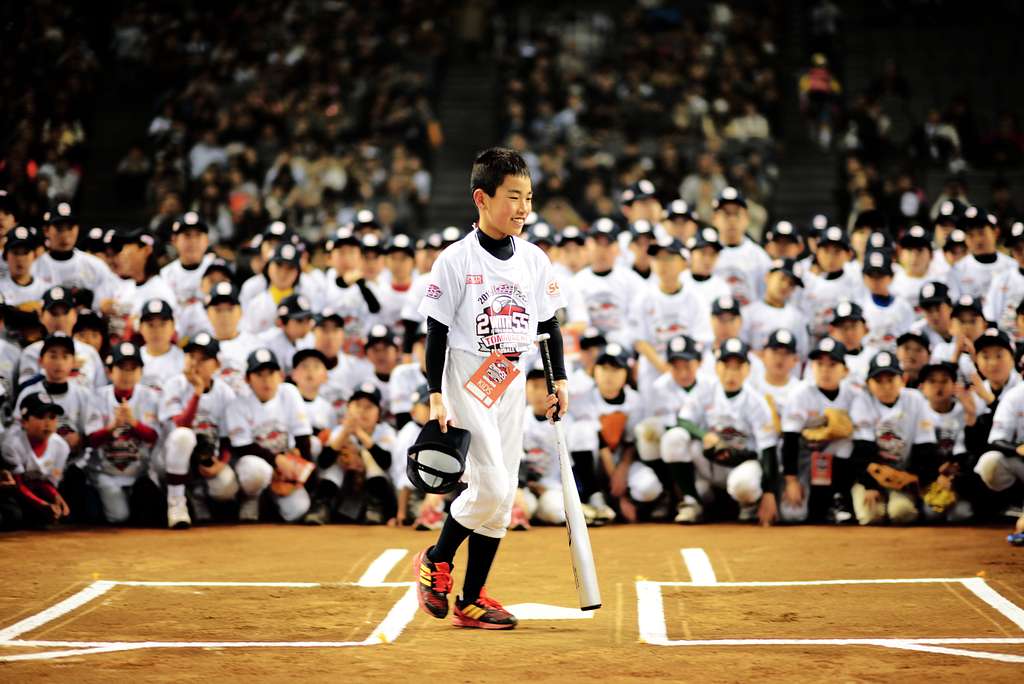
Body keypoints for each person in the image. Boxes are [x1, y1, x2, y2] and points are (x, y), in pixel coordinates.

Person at [413, 147, 567, 631]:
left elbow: (549, 325)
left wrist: (557, 380)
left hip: (510, 378)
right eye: (513, 197)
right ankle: (436, 559)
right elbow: (436, 332)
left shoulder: (534, 260)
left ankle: (472, 599)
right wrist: (435, 393)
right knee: (492, 485)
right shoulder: (455, 260)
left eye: (529, 197)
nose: (524, 208)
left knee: (503, 499)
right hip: (464, 379)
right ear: (482, 198)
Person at [778, 337, 859, 524]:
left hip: (834, 458)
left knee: (845, 441)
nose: (825, 370)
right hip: (802, 456)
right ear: (811, 367)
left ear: (844, 370)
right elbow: (789, 439)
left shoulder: (853, 396)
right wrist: (791, 482)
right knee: (793, 515)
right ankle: (818, 501)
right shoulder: (800, 394)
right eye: (819, 364)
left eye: (832, 365)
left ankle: (839, 496)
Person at [850, 352, 937, 525]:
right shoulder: (862, 402)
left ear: (902, 379)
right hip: (870, 477)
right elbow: (861, 450)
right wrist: (870, 485)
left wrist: (913, 477)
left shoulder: (915, 400)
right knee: (871, 516)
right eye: (879, 381)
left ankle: (908, 503)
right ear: (869, 383)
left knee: (902, 514)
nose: (885, 386)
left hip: (902, 476)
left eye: (891, 379)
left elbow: (925, 446)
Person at [86, 342, 161, 524]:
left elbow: (154, 437)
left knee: (147, 517)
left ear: (140, 372)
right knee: (119, 518)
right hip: (107, 474)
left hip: (139, 475)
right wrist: (112, 427)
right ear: (110, 372)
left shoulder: (150, 397)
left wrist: (133, 423)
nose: (127, 374)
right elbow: (91, 440)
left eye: (132, 368)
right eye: (122, 368)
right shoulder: (97, 397)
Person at [1, 393, 71, 527]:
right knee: (14, 516)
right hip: (13, 490)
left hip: (34, 487)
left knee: (61, 514)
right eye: (40, 417)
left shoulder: (61, 447)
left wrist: (56, 497)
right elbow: (17, 485)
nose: (48, 423)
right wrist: (43, 504)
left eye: (52, 417)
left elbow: (47, 482)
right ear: (24, 422)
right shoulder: (11, 444)